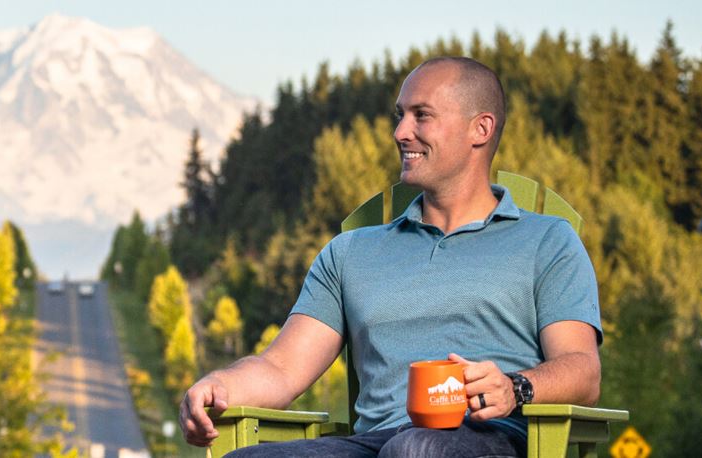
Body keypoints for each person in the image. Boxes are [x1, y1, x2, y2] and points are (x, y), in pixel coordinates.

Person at [177, 57, 602, 457]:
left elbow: (582, 370)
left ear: (481, 129)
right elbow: (281, 369)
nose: (401, 132)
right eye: (400, 115)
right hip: (377, 444)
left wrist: (515, 386)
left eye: (422, 115)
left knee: (415, 449)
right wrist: (220, 385)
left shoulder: (547, 241)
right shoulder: (350, 253)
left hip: (486, 438)